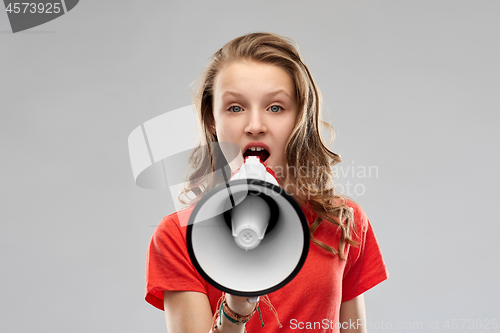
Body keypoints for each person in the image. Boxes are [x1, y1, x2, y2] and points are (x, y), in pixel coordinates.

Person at [145, 32, 388, 333]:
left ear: (299, 116)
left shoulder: (343, 220)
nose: (255, 126)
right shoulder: (177, 236)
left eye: (275, 107)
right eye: (235, 108)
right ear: (211, 118)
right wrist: (236, 307)